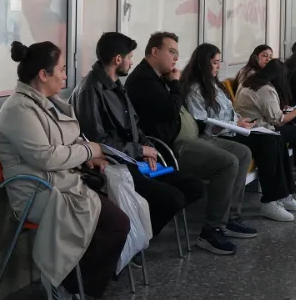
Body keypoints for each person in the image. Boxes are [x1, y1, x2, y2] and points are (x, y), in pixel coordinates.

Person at [0, 41, 129, 300]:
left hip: (62, 183)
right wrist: (89, 150)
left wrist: (89, 156)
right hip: (37, 192)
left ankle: (71, 280)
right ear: (43, 75)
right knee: (115, 223)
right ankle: (61, 281)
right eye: (62, 69)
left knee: (117, 220)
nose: (66, 76)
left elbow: (68, 140)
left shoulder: (48, 103)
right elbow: (46, 157)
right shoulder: (18, 109)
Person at [125, 32, 252, 256]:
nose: (176, 58)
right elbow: (169, 110)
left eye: (177, 53)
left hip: (193, 138)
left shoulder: (159, 77)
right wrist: (175, 83)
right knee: (228, 162)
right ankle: (211, 231)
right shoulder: (143, 81)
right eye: (171, 52)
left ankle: (230, 217)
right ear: (155, 51)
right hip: (173, 147)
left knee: (243, 152)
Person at [72, 32, 205, 245]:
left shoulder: (116, 84)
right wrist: (139, 150)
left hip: (134, 159)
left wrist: (148, 147)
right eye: (130, 57)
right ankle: (132, 240)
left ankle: (139, 233)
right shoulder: (90, 90)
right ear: (118, 59)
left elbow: (135, 126)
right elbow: (97, 142)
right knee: (173, 198)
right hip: (116, 166)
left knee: (194, 187)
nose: (132, 62)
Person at [182, 44, 296, 223]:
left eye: (219, 62)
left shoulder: (213, 84)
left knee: (275, 138)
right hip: (220, 134)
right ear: (202, 63)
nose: (218, 66)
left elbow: (228, 110)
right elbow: (202, 122)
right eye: (215, 63)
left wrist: (241, 121)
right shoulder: (195, 89)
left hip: (234, 128)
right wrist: (235, 124)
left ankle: (283, 194)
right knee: (268, 143)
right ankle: (270, 201)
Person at [234, 59, 296, 194]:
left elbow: (267, 111)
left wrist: (286, 111)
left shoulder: (249, 82)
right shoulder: (265, 89)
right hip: (260, 129)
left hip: (255, 125)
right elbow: (279, 121)